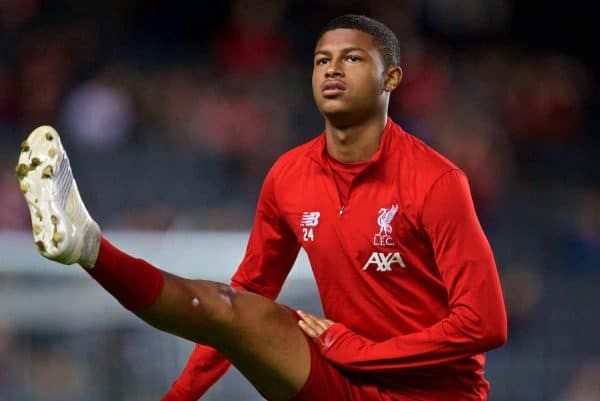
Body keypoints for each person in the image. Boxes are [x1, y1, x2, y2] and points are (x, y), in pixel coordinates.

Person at [16, 14, 507, 401]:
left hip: (434, 393)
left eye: (352, 58)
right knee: (235, 305)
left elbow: (485, 324)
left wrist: (366, 351)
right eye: (321, 60)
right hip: (341, 380)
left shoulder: (437, 181)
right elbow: (233, 310)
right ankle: (89, 246)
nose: (332, 69)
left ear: (392, 77)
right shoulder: (290, 176)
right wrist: (179, 397)